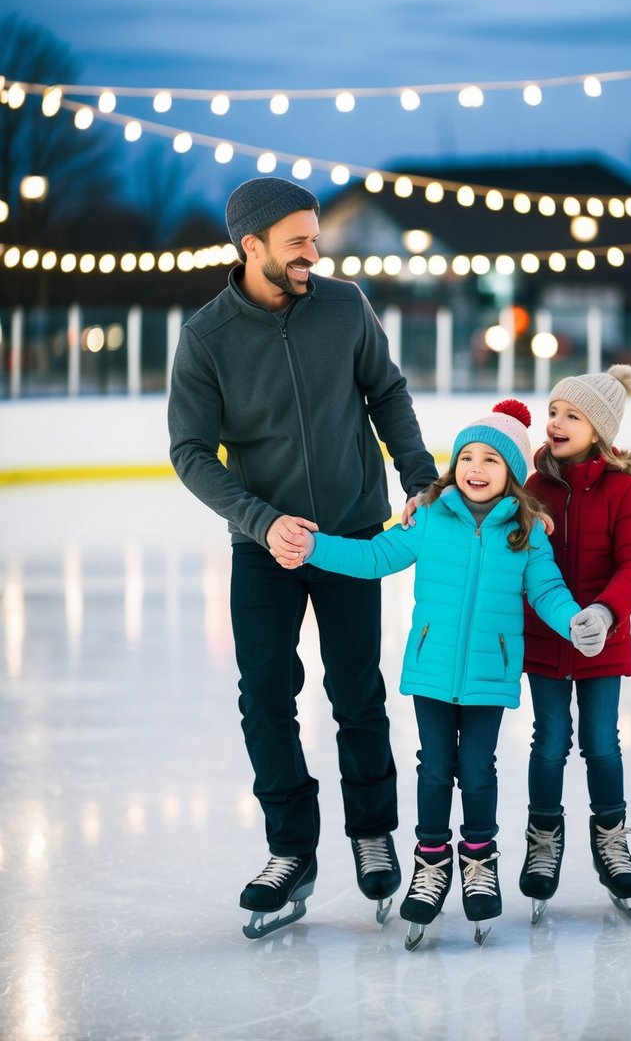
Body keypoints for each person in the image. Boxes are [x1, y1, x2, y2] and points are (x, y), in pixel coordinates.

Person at [167, 176, 439, 936]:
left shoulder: (344, 305)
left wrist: (417, 480)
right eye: (297, 243)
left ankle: (372, 830)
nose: (312, 255)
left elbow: (386, 392)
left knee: (357, 691)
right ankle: (291, 849)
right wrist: (258, 521)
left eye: (314, 240)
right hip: (264, 549)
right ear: (250, 245)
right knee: (265, 698)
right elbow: (189, 450)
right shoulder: (208, 337)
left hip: (351, 533)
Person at [275, 398, 612, 947]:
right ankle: (431, 863)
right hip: (432, 672)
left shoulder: (526, 533)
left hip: (488, 677)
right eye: (467, 458)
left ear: (512, 474)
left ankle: (480, 859)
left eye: (492, 461)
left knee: (478, 770)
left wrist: (575, 621)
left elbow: (548, 590)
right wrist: (314, 547)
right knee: (434, 769)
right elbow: (375, 557)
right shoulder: (428, 517)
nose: (476, 469)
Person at [519, 364, 631, 922]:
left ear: (598, 429)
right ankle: (543, 840)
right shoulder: (534, 487)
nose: (556, 422)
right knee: (549, 741)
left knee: (601, 743)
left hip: (606, 644)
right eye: (553, 411)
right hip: (546, 645)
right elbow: (518, 558)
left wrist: (605, 610)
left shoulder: (622, 490)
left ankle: (611, 840)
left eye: (571, 415)